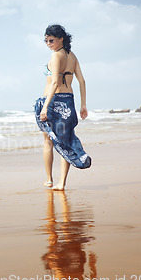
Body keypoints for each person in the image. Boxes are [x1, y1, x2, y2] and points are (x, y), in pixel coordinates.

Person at [34, 24, 91, 191]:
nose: (48, 43)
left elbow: (54, 82)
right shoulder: (72, 56)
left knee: (47, 141)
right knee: (65, 140)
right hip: (68, 100)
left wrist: (45, 107)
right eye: (45, 40)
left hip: (53, 101)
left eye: (51, 40)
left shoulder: (56, 56)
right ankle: (62, 183)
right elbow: (82, 81)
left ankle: (49, 179)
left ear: (61, 39)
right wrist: (83, 105)